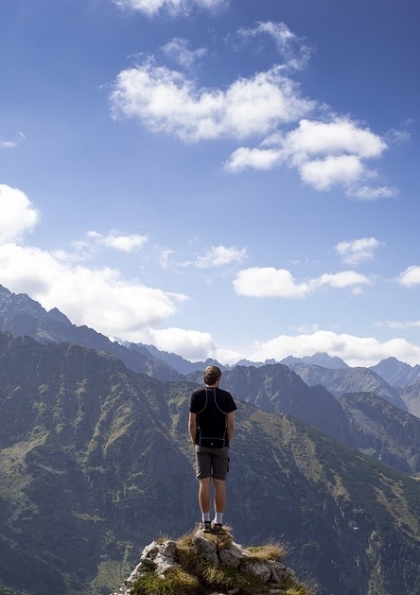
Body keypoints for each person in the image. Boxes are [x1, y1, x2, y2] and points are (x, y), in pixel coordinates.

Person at [188, 365, 237, 534]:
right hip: (221, 444)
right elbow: (230, 424)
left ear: (205, 379)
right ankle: (219, 523)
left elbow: (192, 423)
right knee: (220, 483)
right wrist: (227, 442)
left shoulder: (196, 396)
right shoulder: (226, 397)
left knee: (204, 482)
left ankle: (205, 521)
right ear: (218, 379)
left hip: (202, 443)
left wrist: (195, 442)